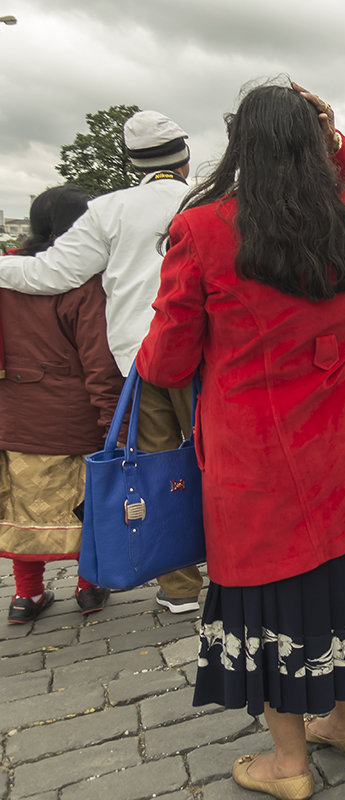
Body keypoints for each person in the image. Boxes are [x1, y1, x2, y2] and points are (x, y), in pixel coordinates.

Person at [136, 82, 345, 800]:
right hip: (338, 454)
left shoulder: (205, 227)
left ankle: (289, 763)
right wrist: (339, 143)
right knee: (342, 582)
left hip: (255, 463)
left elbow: (169, 360)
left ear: (240, 143)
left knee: (265, 606)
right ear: (313, 145)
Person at [0, 110, 204, 614]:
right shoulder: (211, 199)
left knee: (156, 470)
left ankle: (179, 587)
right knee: (219, 460)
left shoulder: (110, 210)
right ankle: (236, 571)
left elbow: (52, 273)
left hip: (144, 360)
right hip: (212, 355)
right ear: (184, 156)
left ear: (131, 161)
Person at [1, 186, 123, 623]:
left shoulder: (4, 276)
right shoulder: (81, 284)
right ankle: (89, 587)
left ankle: (26, 596)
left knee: (20, 508)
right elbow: (99, 362)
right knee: (87, 505)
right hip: (74, 421)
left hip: (15, 419)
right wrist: (116, 425)